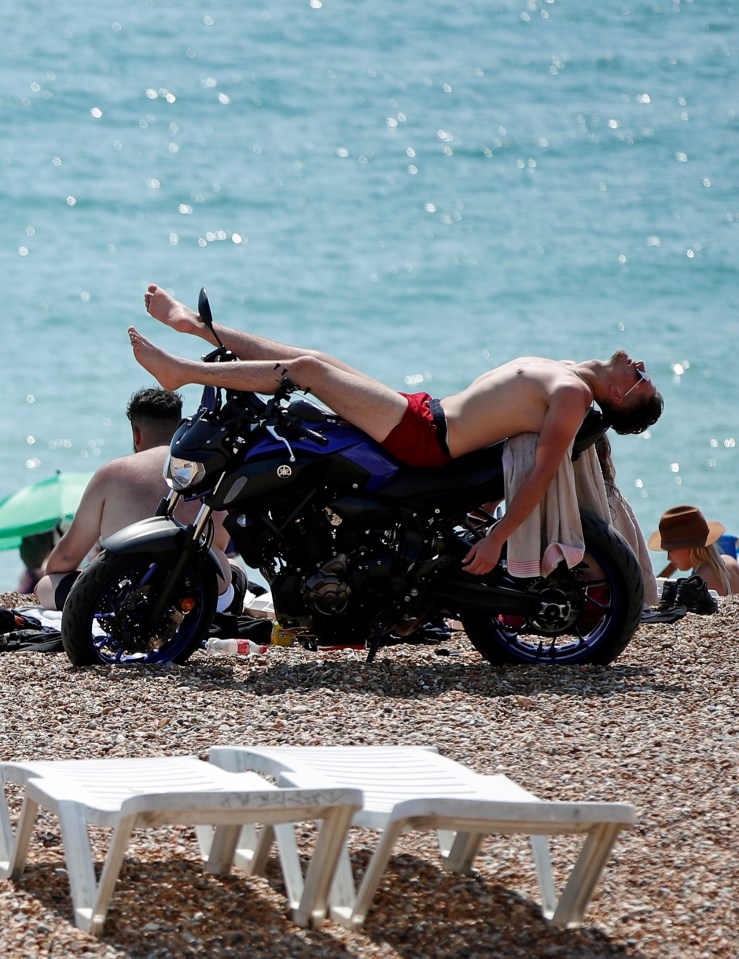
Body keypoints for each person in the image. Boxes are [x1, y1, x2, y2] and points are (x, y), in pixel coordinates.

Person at [128, 284, 663, 576]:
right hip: (423, 411)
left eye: (639, 377)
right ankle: (197, 328)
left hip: (428, 440)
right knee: (316, 360)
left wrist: (499, 537)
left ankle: (182, 370)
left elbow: (544, 470)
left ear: (619, 396)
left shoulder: (572, 395)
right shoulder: (570, 374)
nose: (636, 363)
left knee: (311, 371)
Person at [35, 387, 243, 612]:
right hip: (207, 598)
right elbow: (219, 544)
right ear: (182, 427)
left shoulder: (112, 473)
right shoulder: (210, 470)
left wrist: (57, 573)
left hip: (128, 600)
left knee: (46, 585)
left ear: (136, 434)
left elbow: (67, 557)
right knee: (231, 565)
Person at [648, 505, 739, 596]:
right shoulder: (730, 562)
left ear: (688, 547)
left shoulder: (697, 584)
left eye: (669, 550)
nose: (668, 558)